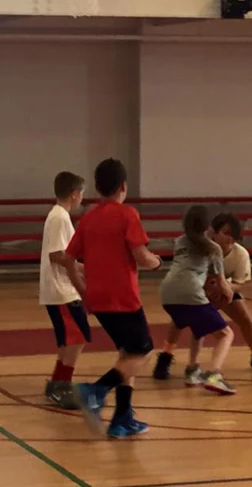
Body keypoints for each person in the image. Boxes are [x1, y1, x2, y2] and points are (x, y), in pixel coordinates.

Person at [65, 158, 162, 439]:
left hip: (99, 300)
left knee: (126, 354)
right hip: (124, 299)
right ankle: (94, 390)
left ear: (96, 187)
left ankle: (122, 418)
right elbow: (141, 256)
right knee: (144, 351)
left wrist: (85, 293)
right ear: (123, 186)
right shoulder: (127, 214)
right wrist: (156, 262)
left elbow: (68, 260)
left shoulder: (88, 218)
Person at [153, 212, 252, 379]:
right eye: (226, 233)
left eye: (234, 235)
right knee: (180, 320)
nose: (230, 238)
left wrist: (226, 288)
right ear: (213, 232)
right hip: (198, 290)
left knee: (244, 318)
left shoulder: (240, 254)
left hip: (223, 290)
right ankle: (166, 356)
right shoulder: (202, 247)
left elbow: (239, 283)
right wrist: (211, 288)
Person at [159, 205, 236, 395]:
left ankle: (192, 370)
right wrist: (228, 295)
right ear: (208, 227)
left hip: (167, 293)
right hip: (190, 292)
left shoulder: (179, 241)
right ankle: (214, 375)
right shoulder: (213, 248)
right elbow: (222, 285)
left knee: (198, 327)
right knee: (226, 334)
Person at [39, 171, 90, 409]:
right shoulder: (60, 217)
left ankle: (57, 382)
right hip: (62, 290)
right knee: (77, 338)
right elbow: (57, 255)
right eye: (82, 194)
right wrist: (83, 268)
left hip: (62, 289)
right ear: (74, 194)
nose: (82, 199)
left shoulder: (59, 216)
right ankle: (63, 386)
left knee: (68, 340)